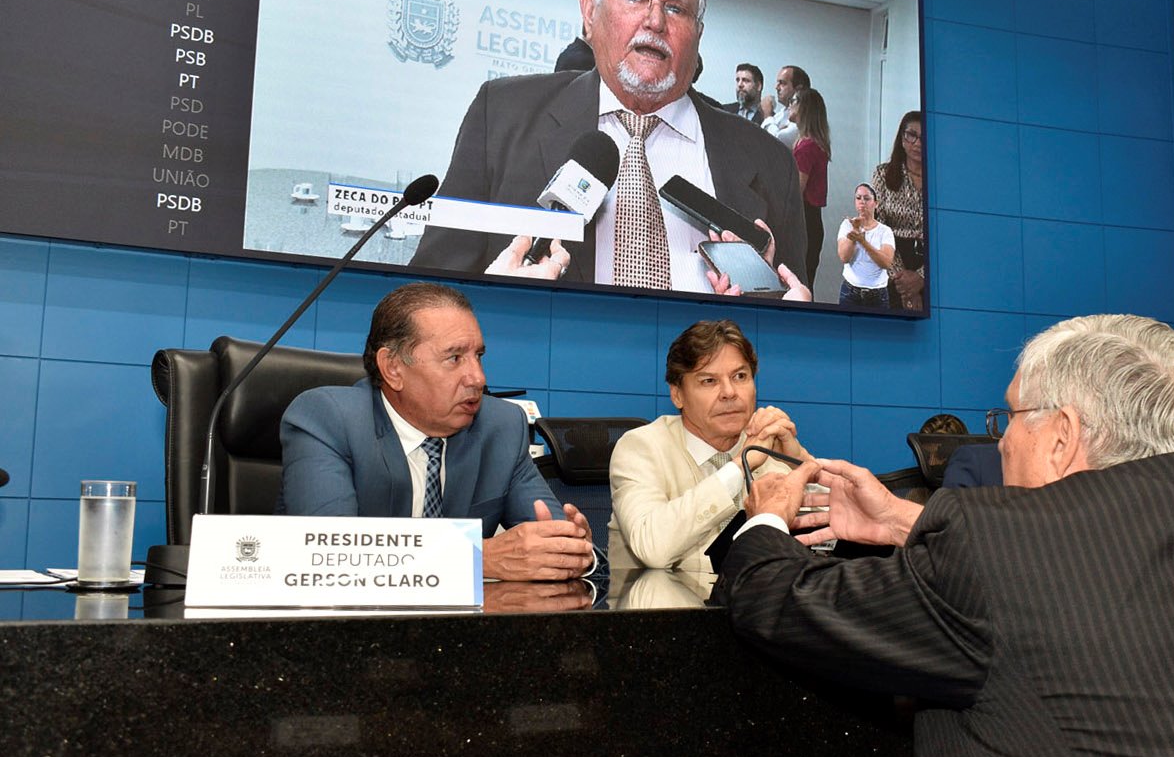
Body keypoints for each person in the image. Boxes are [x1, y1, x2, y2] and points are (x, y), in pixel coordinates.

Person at [714, 314, 1174, 757]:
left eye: (1010, 416)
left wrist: (766, 515)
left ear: (1060, 437)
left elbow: (780, 600)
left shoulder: (997, 552)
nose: (999, 440)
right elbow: (1091, 563)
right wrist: (904, 522)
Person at [412, 0, 806, 298]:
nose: (655, 21)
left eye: (676, 8)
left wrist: (767, 314)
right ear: (590, 12)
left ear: (697, 35)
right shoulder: (502, 115)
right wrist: (501, 305)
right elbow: (426, 296)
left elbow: (796, 317)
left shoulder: (769, 161)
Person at [278, 283, 596, 582]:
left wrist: (571, 548)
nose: (478, 378)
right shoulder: (328, 420)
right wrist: (476, 557)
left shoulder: (501, 427)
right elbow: (325, 553)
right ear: (393, 368)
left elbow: (553, 537)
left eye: (478, 356)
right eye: (454, 358)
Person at [608, 320, 809, 570]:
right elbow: (652, 548)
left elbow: (835, 534)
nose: (729, 392)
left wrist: (800, 462)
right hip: (659, 595)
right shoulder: (640, 448)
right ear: (677, 395)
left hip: (753, 593)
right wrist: (738, 468)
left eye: (740, 376)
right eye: (709, 381)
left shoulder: (768, 444)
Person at [871, 111, 926, 311]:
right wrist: (905, 285)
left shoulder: (941, 179)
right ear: (902, 139)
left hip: (933, 264)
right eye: (912, 135)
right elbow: (876, 228)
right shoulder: (883, 174)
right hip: (893, 259)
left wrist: (921, 277)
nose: (917, 143)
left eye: (923, 137)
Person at [789, 86, 830, 291]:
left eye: (794, 101)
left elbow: (796, 191)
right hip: (812, 220)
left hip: (805, 220)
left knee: (799, 283)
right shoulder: (811, 143)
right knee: (804, 281)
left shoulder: (806, 147)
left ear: (804, 108)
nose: (790, 105)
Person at [835, 183, 894, 308]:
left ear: (875, 203)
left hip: (878, 294)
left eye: (866, 198)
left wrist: (863, 242)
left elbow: (886, 263)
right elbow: (844, 257)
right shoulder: (847, 225)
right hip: (850, 292)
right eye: (858, 198)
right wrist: (855, 231)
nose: (862, 202)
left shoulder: (885, 231)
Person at [760, 65, 807, 150]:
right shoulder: (779, 114)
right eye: (777, 83)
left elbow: (778, 142)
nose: (777, 87)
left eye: (782, 83)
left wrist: (767, 115)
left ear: (798, 89)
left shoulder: (804, 116)